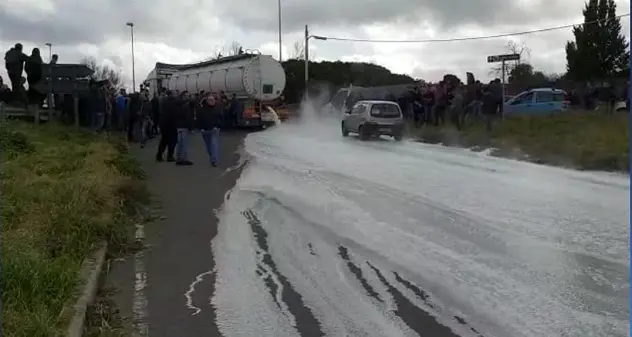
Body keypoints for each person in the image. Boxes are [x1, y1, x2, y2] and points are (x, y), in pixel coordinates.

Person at [197, 94, 223, 166]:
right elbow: (198, 120)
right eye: (211, 100)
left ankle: (214, 160)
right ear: (207, 101)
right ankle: (212, 157)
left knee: (214, 144)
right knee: (208, 146)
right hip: (205, 130)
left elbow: (221, 119)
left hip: (214, 130)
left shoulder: (217, 109)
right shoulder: (201, 110)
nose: (213, 101)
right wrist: (200, 128)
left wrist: (217, 126)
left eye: (213, 100)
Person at [156, 91, 178, 162]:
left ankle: (159, 155)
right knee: (172, 140)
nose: (176, 94)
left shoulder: (164, 101)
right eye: (175, 93)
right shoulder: (173, 102)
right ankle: (169, 156)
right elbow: (173, 113)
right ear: (171, 95)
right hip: (171, 124)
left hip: (164, 124)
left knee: (164, 140)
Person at [174, 92, 194, 165]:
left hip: (178, 126)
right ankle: (183, 159)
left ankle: (178, 158)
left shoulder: (177, 104)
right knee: (184, 143)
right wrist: (190, 128)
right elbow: (187, 117)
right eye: (188, 96)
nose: (189, 97)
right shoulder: (185, 105)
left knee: (179, 143)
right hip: (184, 126)